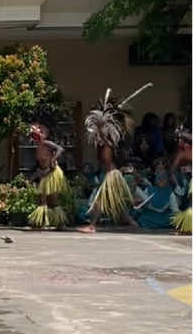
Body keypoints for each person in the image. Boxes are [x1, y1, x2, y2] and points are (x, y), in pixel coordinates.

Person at [79, 85, 152, 233]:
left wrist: (101, 129)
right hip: (113, 174)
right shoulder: (107, 144)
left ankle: (92, 225)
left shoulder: (108, 145)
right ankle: (132, 219)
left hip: (111, 175)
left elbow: (107, 159)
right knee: (116, 203)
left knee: (99, 200)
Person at [28, 121, 68, 229]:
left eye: (36, 135)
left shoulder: (46, 143)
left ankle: (59, 223)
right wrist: (34, 176)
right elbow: (39, 164)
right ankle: (42, 221)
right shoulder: (37, 148)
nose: (35, 138)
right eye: (34, 136)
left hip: (52, 172)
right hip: (45, 173)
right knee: (43, 198)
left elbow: (60, 149)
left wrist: (53, 160)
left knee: (51, 199)